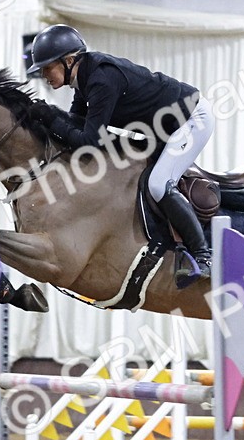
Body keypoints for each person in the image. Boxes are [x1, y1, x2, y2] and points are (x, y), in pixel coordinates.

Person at [25, 24, 215, 286]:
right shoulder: (83, 79)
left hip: (192, 119)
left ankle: (204, 256)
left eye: (47, 68)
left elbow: (90, 141)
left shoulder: (101, 79)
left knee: (158, 184)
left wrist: (50, 118)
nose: (44, 75)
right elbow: (76, 122)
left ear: (69, 61)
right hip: (163, 128)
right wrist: (47, 118)